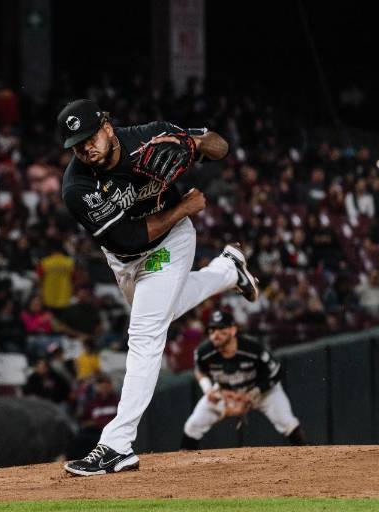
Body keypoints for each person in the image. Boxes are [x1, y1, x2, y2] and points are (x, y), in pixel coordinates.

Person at [58, 99, 259, 476]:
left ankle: (117, 445)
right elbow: (130, 238)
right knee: (166, 309)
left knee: (146, 334)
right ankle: (228, 270)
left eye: (89, 137)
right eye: (76, 144)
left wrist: (190, 142)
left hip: (171, 244)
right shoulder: (77, 186)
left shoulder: (149, 137)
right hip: (126, 256)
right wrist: (183, 207)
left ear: (106, 125)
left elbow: (220, 147)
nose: (85, 148)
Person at [181, 310, 306, 448]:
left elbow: (277, 372)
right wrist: (208, 389)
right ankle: (183, 466)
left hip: (261, 391)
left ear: (233, 330)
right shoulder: (204, 352)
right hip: (226, 393)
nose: (215, 334)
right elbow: (199, 370)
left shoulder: (252, 348)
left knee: (288, 423)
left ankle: (309, 458)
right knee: (193, 425)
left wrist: (252, 394)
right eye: (211, 330)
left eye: (221, 328)